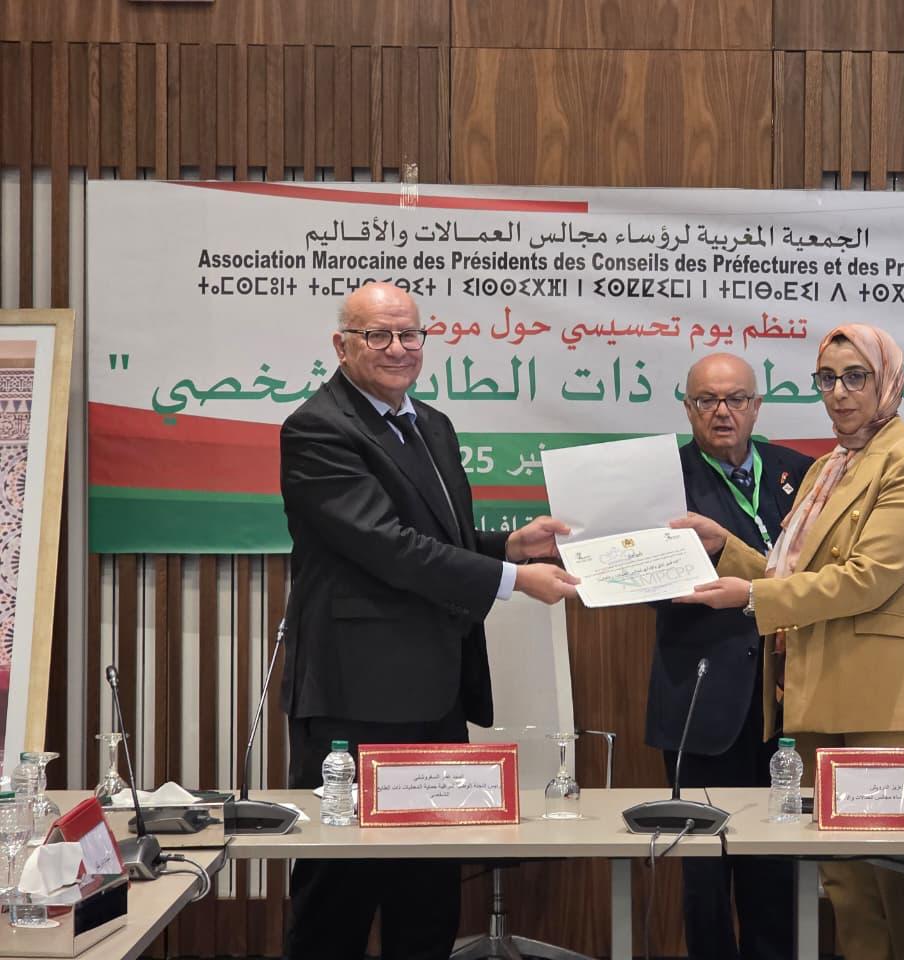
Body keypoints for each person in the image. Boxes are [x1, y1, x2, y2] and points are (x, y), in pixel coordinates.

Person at [279, 282, 578, 960]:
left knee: (428, 895)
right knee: (337, 899)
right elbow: (388, 548)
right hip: (356, 699)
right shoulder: (318, 428)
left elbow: (437, 538)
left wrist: (508, 546)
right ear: (342, 346)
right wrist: (512, 581)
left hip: (436, 693)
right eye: (377, 335)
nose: (397, 348)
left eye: (409, 334)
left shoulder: (432, 424)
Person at [674, 324, 904, 960]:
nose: (839, 392)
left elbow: (867, 579)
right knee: (848, 892)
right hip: (819, 701)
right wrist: (729, 549)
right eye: (827, 379)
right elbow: (795, 576)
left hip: (891, 707)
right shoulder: (827, 470)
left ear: (888, 381)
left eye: (856, 377)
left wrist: (752, 596)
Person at [647, 353, 811, 960]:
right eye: (707, 400)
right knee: (704, 872)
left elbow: (820, 578)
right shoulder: (663, 481)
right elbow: (646, 581)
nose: (723, 412)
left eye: (736, 399)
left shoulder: (802, 473)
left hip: (788, 699)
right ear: (687, 408)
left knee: (777, 863)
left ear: (756, 406)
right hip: (701, 695)